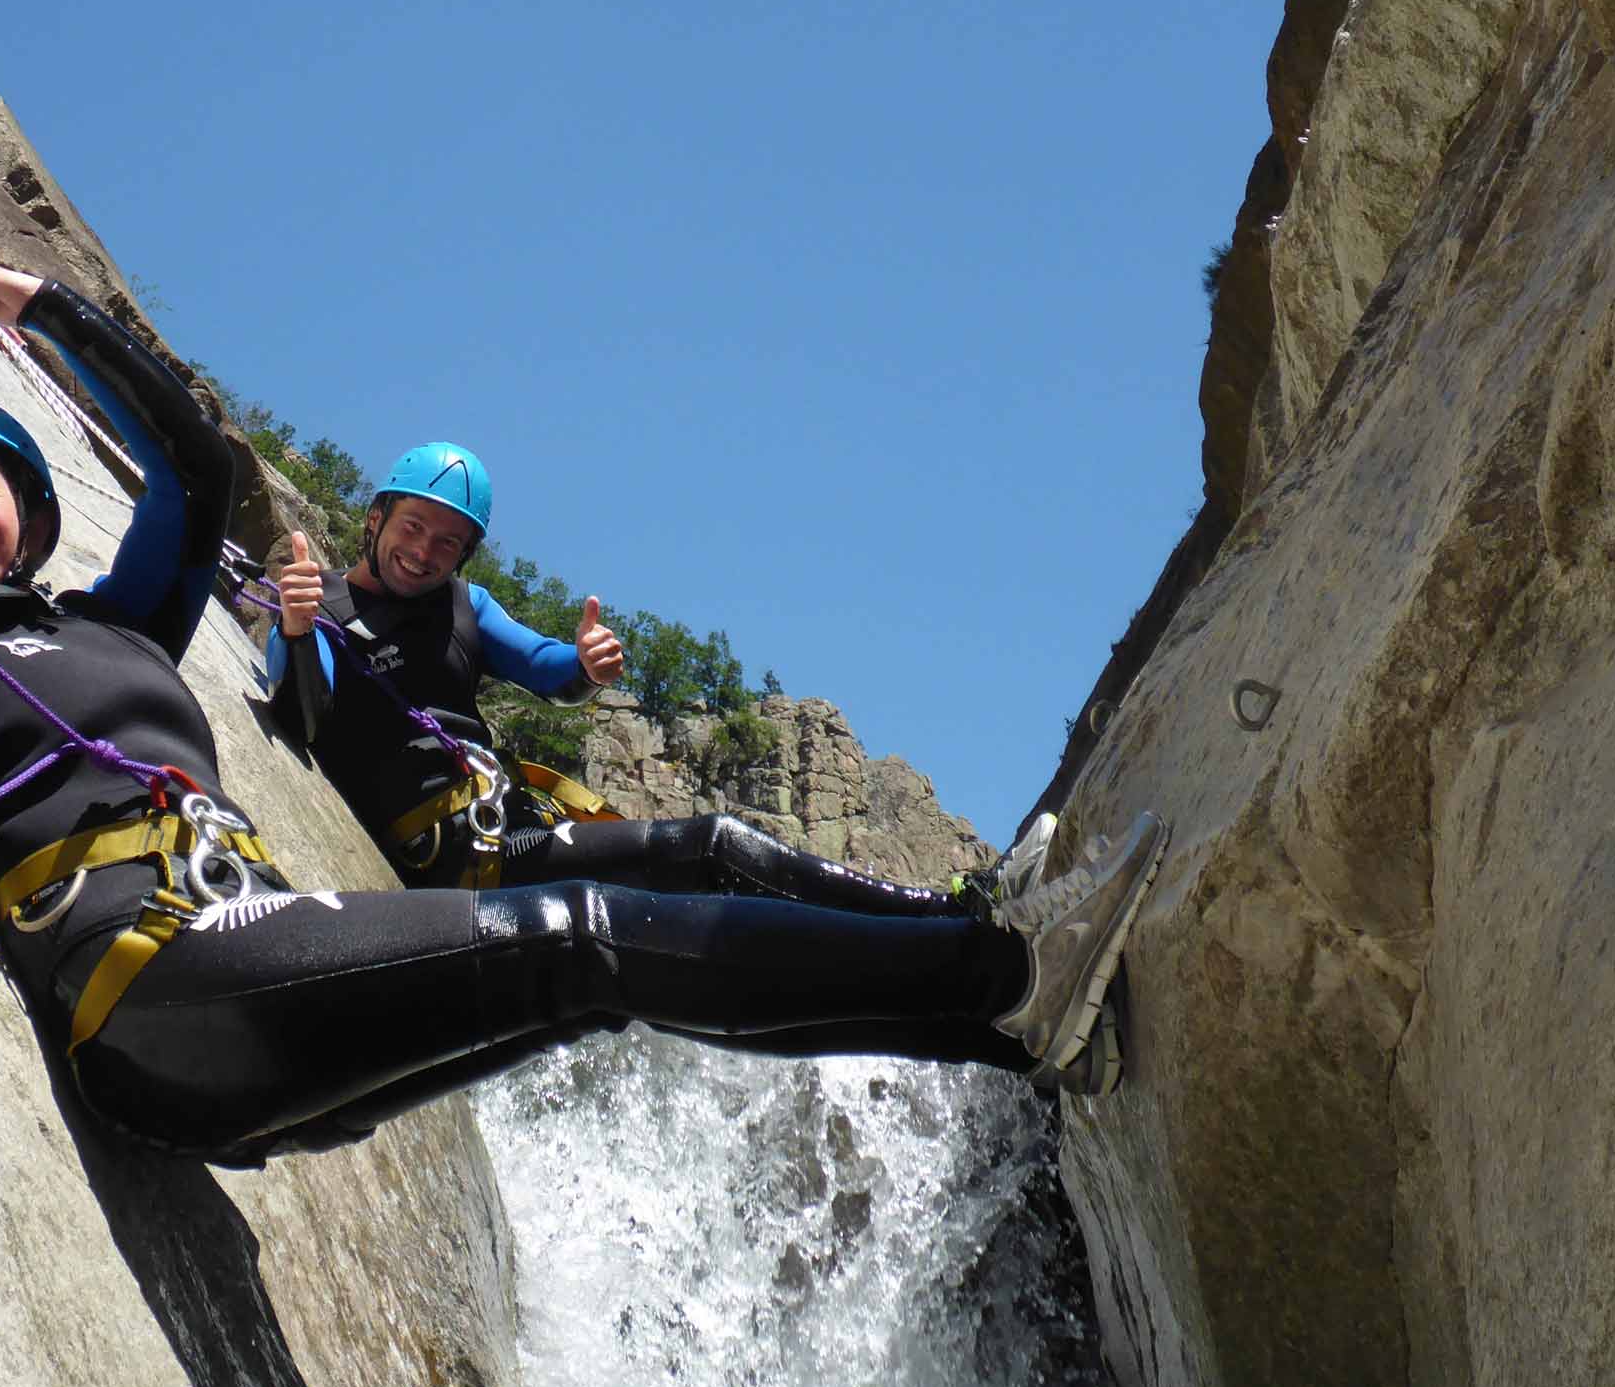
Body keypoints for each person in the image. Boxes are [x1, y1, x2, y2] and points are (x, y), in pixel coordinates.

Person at [0, 258, 1167, 1166]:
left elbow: (194, 465)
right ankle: (1003, 971)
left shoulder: (115, 622)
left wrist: (51, 315)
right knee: (594, 939)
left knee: (619, 975)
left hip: (240, 963)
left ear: (29, 516)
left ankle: (996, 1035)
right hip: (154, 981)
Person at [264, 450, 1082, 1082]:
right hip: (458, 864)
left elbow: (549, 669)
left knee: (717, 942)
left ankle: (988, 1020)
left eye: (450, 541)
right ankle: (964, 925)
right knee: (713, 850)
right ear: (375, 517)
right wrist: (298, 632)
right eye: (413, 525)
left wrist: (587, 662)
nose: (426, 550)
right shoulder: (321, 610)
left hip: (510, 832)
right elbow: (305, 719)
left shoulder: (462, 607)